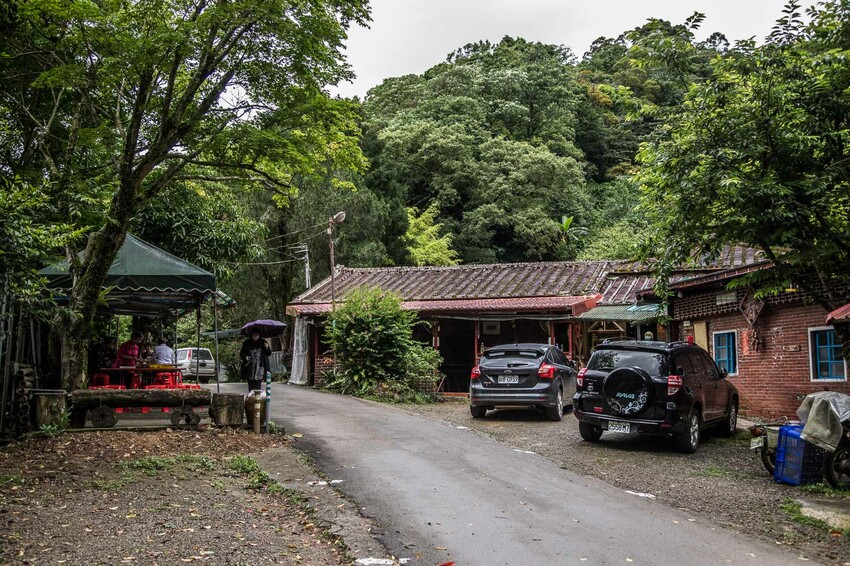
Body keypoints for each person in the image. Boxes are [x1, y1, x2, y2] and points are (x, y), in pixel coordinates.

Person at [240, 327, 271, 392]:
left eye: (257, 334)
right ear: (251, 335)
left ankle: (257, 400)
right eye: (254, 334)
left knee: (257, 387)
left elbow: (269, 353)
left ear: (259, 335)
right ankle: (251, 400)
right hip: (250, 367)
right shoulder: (247, 343)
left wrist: (267, 347)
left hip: (259, 368)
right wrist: (245, 357)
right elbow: (242, 353)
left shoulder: (263, 342)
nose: (255, 336)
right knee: (251, 386)